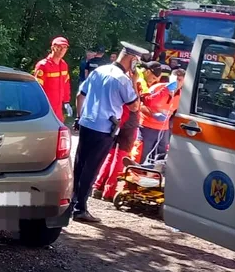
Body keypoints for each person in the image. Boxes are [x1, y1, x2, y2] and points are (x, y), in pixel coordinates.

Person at [72, 42, 148, 223]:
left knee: (79, 164)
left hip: (86, 123)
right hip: (104, 129)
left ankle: (71, 202)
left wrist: (78, 117)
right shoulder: (123, 80)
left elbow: (80, 95)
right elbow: (135, 106)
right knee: (91, 168)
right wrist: (134, 80)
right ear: (132, 60)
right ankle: (80, 209)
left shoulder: (99, 70)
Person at [139, 66, 179, 162]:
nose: (177, 82)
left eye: (180, 80)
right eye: (175, 79)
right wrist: (153, 115)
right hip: (147, 127)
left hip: (164, 130)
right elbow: (141, 105)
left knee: (161, 158)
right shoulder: (157, 88)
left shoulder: (182, 95)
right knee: (140, 155)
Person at [33, 37, 73, 120]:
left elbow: (66, 84)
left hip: (58, 109)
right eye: (59, 47)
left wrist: (66, 101)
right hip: (46, 108)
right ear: (52, 48)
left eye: (64, 47)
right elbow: (38, 89)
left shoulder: (64, 65)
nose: (62, 50)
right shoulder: (43, 65)